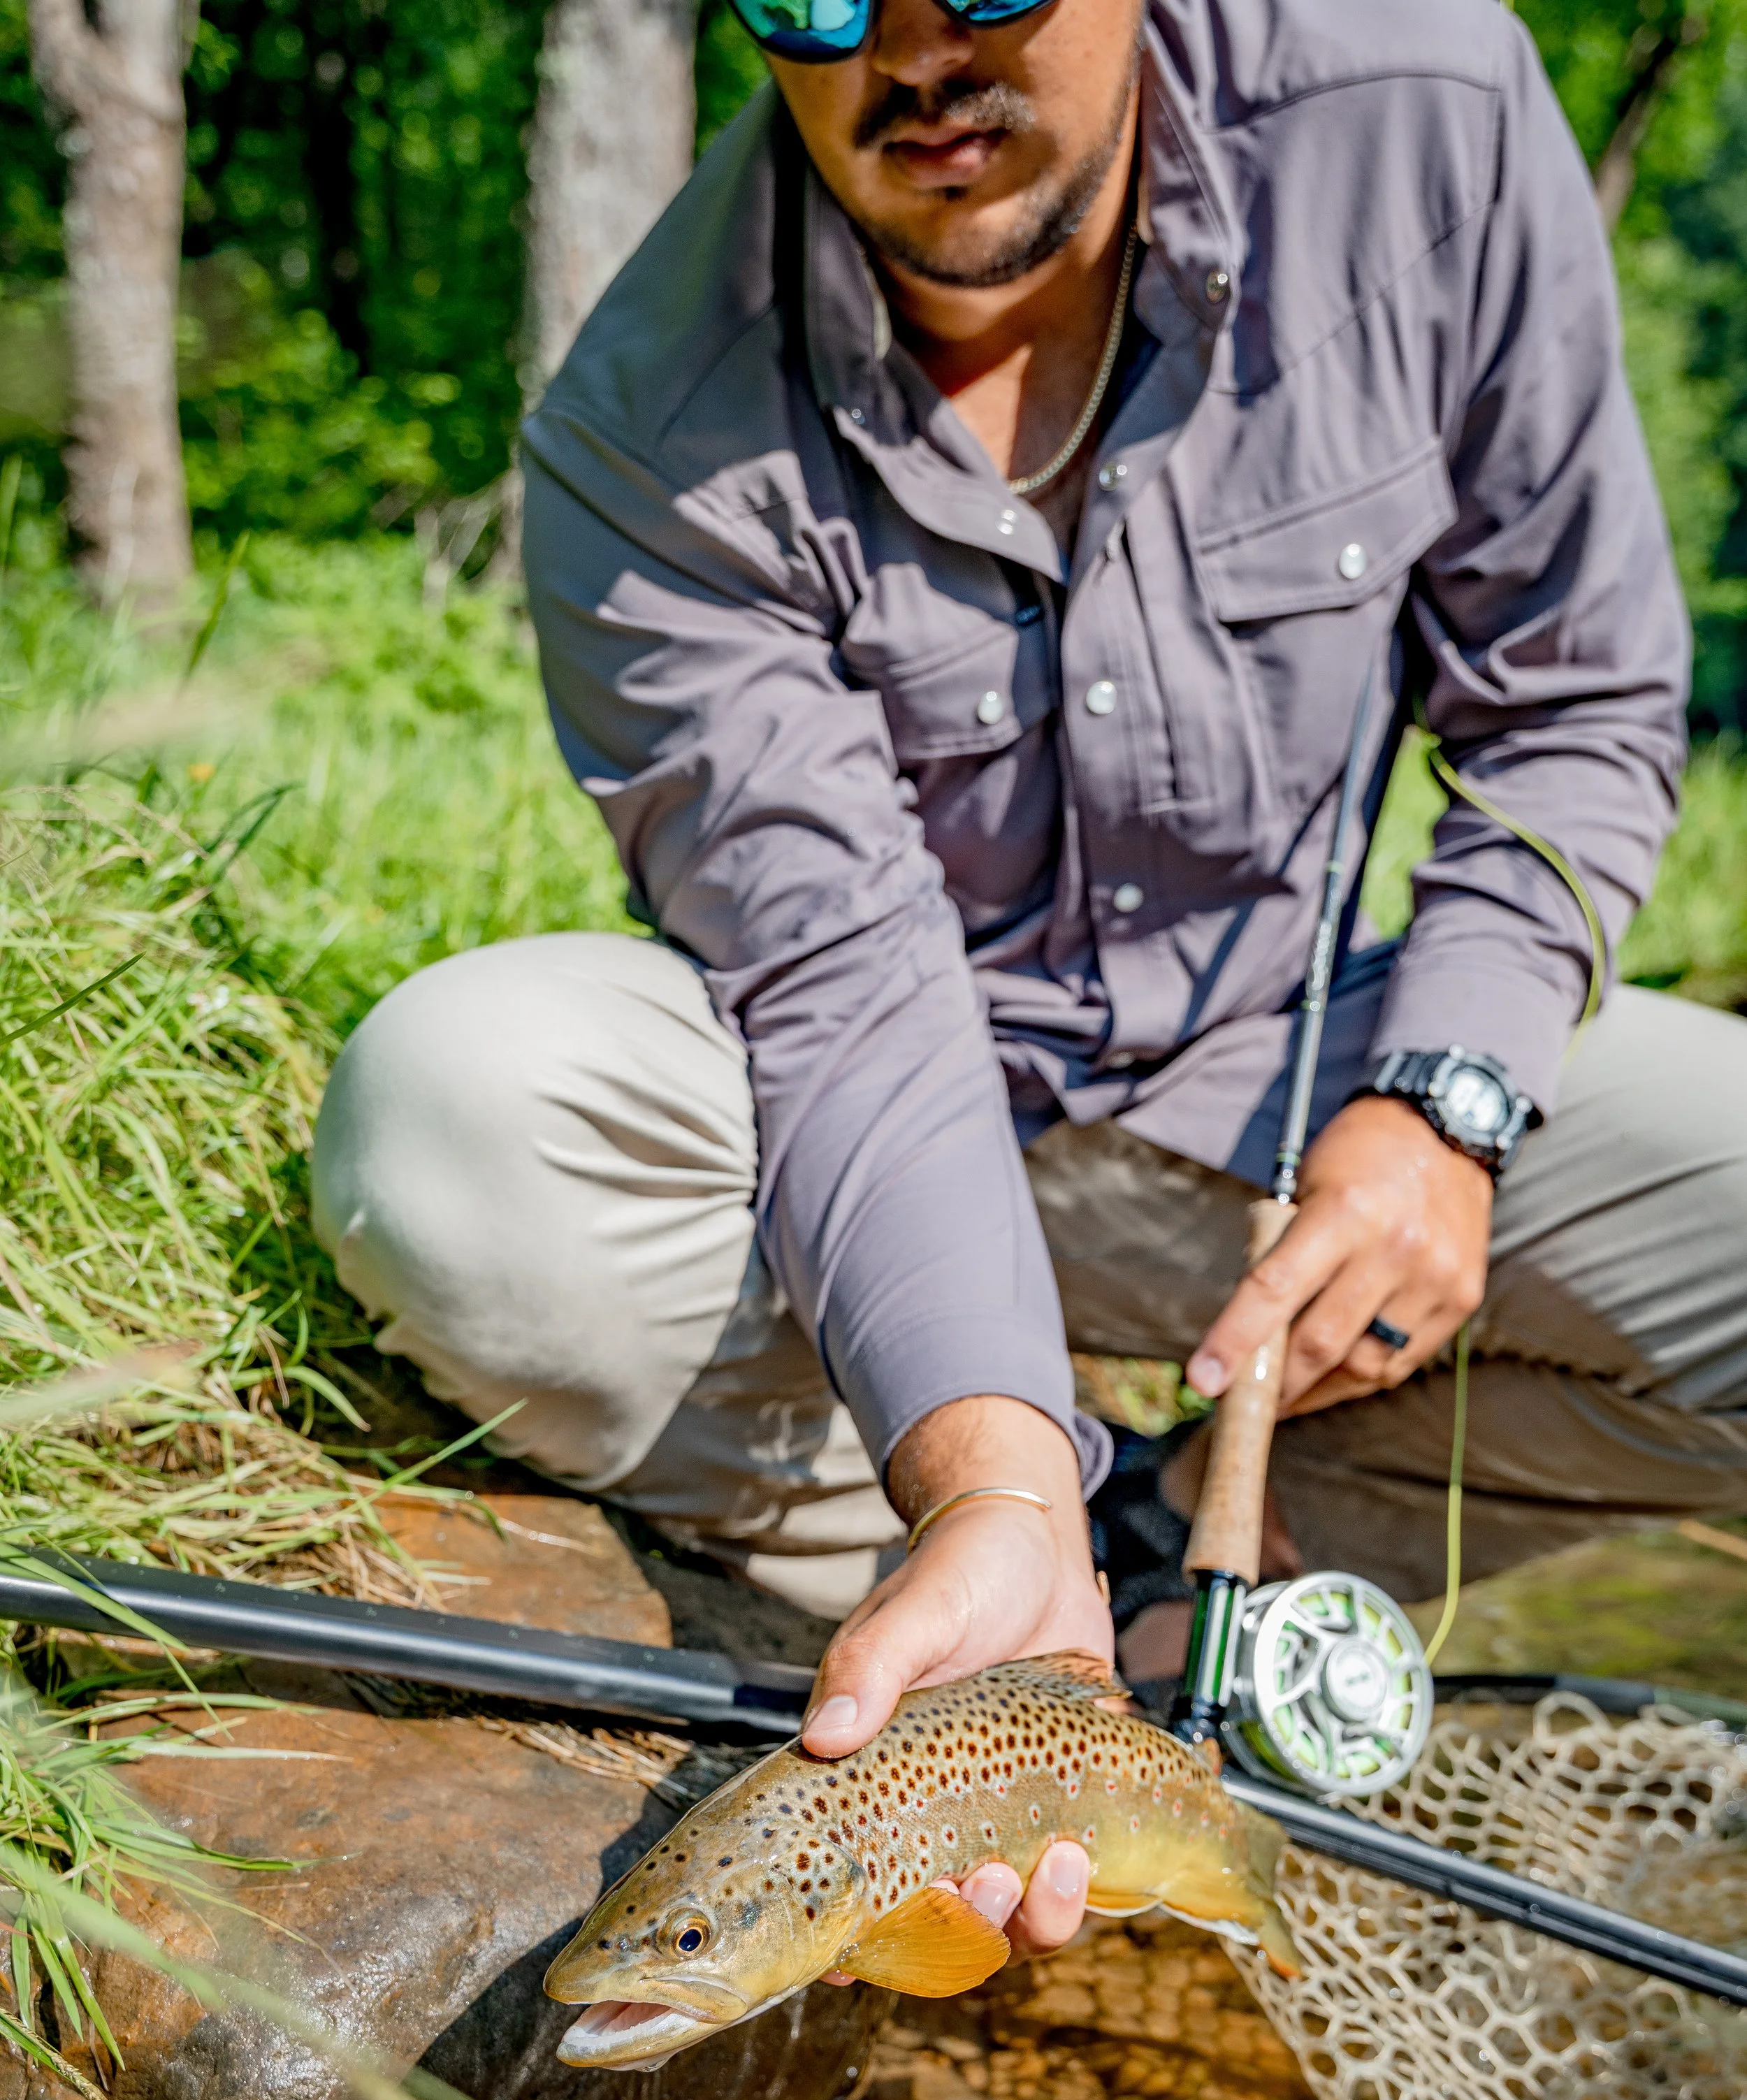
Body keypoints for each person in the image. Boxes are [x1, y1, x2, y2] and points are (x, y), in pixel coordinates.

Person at [312, 0, 1747, 1960]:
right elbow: (840, 986)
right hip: (866, 1133)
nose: (906, 43)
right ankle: (987, 1586)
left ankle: (1215, 1558)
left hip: (1292, 1075)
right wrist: (993, 1477)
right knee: (456, 1115)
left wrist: (1443, 1104)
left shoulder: (1424, 115)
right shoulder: (643, 425)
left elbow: (1573, 704)